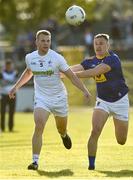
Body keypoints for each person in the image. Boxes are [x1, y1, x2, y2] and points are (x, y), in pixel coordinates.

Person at [9, 30, 91, 170]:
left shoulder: (57, 58)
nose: (46, 43)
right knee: (39, 125)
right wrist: (15, 87)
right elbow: (29, 72)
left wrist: (84, 90)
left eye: (48, 40)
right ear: (36, 42)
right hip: (41, 98)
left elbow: (71, 76)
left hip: (59, 98)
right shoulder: (30, 57)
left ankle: (64, 134)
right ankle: (35, 161)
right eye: (43, 40)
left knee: (61, 128)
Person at [71, 33, 129, 170]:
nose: (98, 46)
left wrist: (68, 75)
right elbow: (73, 68)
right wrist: (59, 71)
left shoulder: (113, 59)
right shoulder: (90, 60)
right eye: (96, 43)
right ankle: (91, 166)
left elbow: (92, 72)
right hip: (103, 101)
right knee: (95, 131)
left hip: (120, 101)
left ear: (108, 45)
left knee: (121, 140)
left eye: (101, 43)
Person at [0, 60, 18, 132]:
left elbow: (17, 82)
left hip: (13, 94)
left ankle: (11, 128)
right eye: (7, 65)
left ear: (11, 66)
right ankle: (2, 128)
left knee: (12, 112)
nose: (9, 67)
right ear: (5, 66)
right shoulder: (1, 73)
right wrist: (11, 81)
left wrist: (7, 81)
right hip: (4, 94)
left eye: (10, 65)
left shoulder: (15, 73)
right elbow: (2, 83)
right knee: (2, 112)